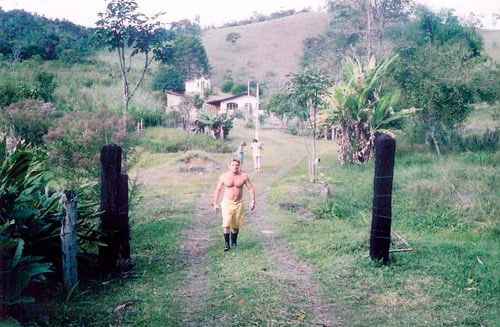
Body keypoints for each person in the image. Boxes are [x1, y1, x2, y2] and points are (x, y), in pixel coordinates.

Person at [213, 158, 255, 251]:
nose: (235, 167)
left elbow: (251, 188)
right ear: (229, 166)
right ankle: (227, 244)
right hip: (227, 203)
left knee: (235, 225)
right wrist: (215, 203)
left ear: (239, 166)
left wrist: (252, 201)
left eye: (237, 165)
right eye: (233, 165)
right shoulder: (224, 176)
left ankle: (234, 242)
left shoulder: (244, 176)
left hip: (239, 203)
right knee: (226, 223)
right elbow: (218, 189)